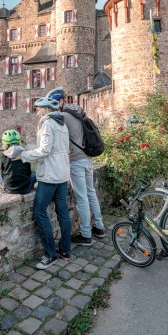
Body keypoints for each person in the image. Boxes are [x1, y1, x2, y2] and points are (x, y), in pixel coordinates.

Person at [15, 95, 72, 270]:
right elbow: (65, 149)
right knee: (63, 212)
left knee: (40, 211)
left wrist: (23, 155)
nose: (37, 112)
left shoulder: (47, 123)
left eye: (38, 109)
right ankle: (65, 251)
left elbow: (44, 150)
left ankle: (50, 254)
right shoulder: (62, 123)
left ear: (46, 109)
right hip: (62, 173)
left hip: (50, 175)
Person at [48, 87, 105, 246]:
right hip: (87, 158)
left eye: (54, 103)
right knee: (91, 193)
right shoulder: (79, 111)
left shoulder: (63, 116)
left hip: (76, 161)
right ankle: (99, 227)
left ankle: (86, 235)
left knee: (81, 198)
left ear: (60, 102)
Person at [0, 129, 36, 194]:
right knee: (34, 174)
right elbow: (28, 172)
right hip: (25, 189)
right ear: (19, 142)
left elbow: (2, 173)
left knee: (0, 177)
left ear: (6, 145)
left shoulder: (4, 155)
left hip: (9, 189)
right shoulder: (25, 154)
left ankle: (6, 186)